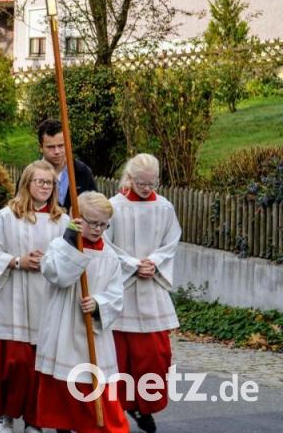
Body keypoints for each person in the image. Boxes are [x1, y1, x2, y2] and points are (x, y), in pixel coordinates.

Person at [0, 161, 68, 433]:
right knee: (14, 364)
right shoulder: (6, 216)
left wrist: (49, 263)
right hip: (13, 301)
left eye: (49, 183)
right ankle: (5, 416)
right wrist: (18, 261)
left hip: (46, 300)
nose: (44, 187)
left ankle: (34, 421)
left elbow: (72, 260)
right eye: (39, 181)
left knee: (39, 368)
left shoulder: (62, 221)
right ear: (27, 183)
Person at [35, 191, 129, 433]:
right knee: (65, 391)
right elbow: (58, 276)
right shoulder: (59, 245)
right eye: (93, 223)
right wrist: (70, 242)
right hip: (64, 328)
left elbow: (116, 295)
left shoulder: (109, 256)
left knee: (97, 393)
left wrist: (98, 304)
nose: (98, 229)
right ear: (78, 218)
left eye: (103, 225)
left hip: (92, 334)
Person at [105, 153, 181, 433]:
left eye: (152, 182)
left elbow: (171, 241)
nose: (147, 187)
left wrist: (155, 263)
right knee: (120, 355)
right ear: (130, 177)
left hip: (151, 289)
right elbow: (105, 243)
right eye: (141, 182)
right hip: (123, 289)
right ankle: (121, 407)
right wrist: (134, 265)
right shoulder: (114, 207)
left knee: (155, 355)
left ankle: (143, 405)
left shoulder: (164, 207)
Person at [37, 119, 97, 210]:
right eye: (51, 147)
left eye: (61, 146)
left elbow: (96, 208)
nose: (57, 152)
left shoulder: (83, 172)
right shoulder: (31, 175)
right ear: (41, 147)